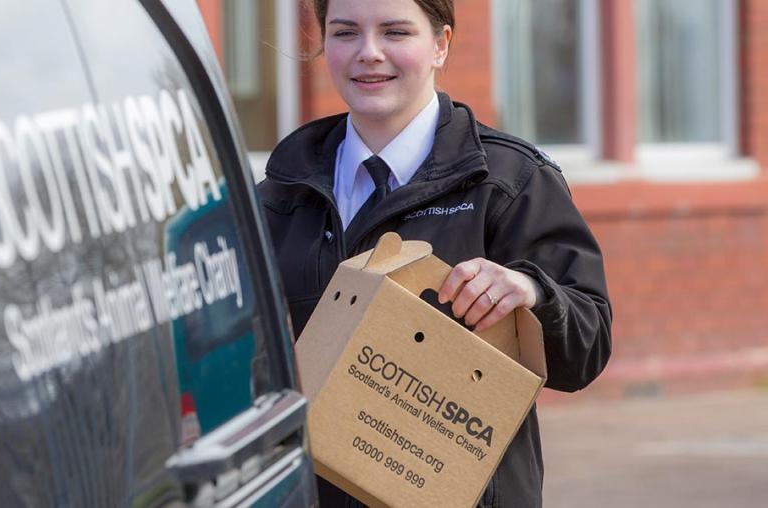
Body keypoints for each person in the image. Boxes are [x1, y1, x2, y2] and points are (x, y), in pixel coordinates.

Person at [258, 0, 612, 506]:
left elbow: (588, 347)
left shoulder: (509, 182)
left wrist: (533, 294)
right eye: (345, 33)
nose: (369, 53)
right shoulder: (278, 196)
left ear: (441, 45)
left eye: (396, 32)